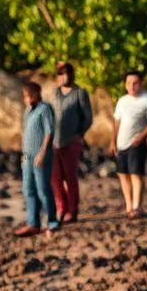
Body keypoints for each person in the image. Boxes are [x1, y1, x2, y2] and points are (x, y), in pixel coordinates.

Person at [110, 71, 147, 219]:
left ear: (141, 83)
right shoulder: (122, 100)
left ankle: (138, 207)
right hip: (120, 143)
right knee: (123, 174)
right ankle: (129, 206)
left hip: (137, 143)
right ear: (125, 84)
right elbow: (116, 121)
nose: (132, 85)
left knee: (136, 174)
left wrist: (142, 137)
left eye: (135, 82)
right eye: (129, 83)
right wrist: (112, 141)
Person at [50, 61, 93, 224]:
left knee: (70, 177)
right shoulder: (55, 93)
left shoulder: (80, 93)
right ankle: (61, 208)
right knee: (55, 178)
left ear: (72, 75)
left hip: (71, 142)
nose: (63, 77)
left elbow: (88, 118)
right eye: (60, 74)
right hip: (54, 142)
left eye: (65, 73)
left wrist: (79, 134)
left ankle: (72, 211)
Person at [15, 82, 60, 237]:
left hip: (41, 156)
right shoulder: (28, 111)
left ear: (36, 94)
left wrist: (42, 152)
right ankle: (33, 223)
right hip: (27, 156)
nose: (26, 99)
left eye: (28, 96)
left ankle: (52, 222)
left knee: (43, 190)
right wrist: (23, 154)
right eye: (25, 96)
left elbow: (49, 132)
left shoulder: (45, 108)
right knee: (28, 189)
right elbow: (26, 133)